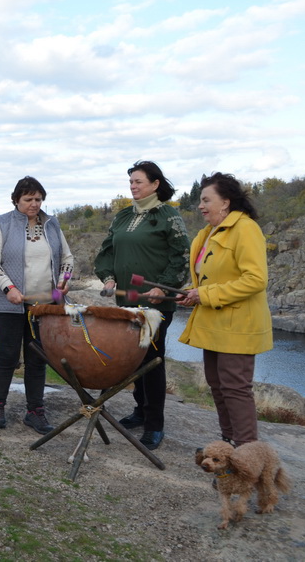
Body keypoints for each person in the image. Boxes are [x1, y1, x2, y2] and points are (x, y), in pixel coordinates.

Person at [94, 161, 189, 451]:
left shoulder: (168, 217)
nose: (133, 186)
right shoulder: (123, 217)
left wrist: (162, 286)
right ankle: (140, 411)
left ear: (155, 183)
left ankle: (155, 425)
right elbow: (107, 250)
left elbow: (182, 255)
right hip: (126, 302)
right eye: (131, 182)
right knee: (134, 358)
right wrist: (108, 277)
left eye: (138, 181)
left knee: (152, 360)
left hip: (156, 305)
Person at [178, 173, 272, 446]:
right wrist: (189, 293)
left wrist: (204, 294)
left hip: (238, 326)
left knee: (235, 389)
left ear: (226, 203)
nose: (200, 205)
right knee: (218, 388)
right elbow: (210, 276)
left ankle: (247, 453)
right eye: (200, 200)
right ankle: (229, 445)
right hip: (213, 324)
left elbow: (255, 279)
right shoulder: (209, 232)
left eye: (206, 200)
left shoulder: (246, 228)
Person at [0, 177, 73, 433]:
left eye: (38, 199)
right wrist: (9, 288)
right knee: (6, 356)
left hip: (43, 306)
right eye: (28, 199)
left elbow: (67, 258)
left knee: (37, 358)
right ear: (16, 200)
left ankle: (35, 411)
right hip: (7, 304)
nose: (34, 204)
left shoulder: (52, 225)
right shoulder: (2, 224)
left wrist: (63, 282)